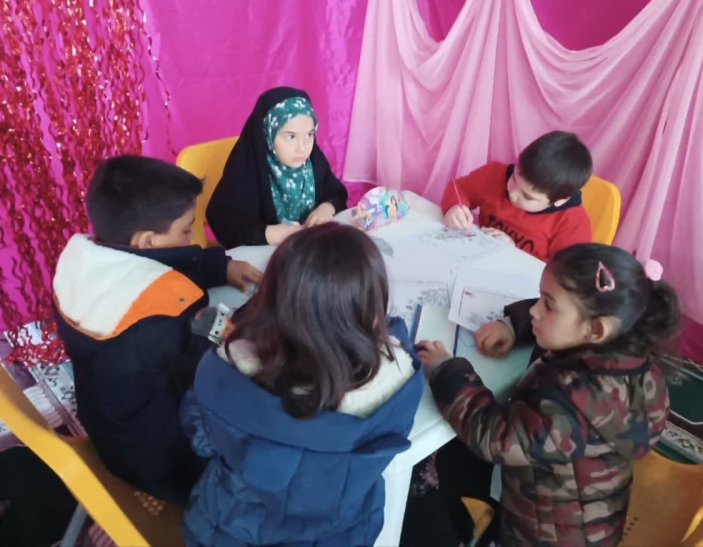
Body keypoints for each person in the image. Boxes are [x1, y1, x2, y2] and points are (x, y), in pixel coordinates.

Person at [417, 243, 680, 546]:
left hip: (545, 536)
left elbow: (493, 436)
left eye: (548, 305)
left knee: (448, 470)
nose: (534, 310)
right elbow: (567, 321)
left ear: (596, 330)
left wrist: (446, 371)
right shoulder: (629, 353)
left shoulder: (569, 408)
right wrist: (513, 326)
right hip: (586, 512)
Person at [180, 223, 425, 547]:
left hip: (226, 528)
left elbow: (200, 438)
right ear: (371, 312)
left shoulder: (219, 370)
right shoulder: (399, 388)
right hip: (339, 534)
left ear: (270, 300)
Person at [52, 155, 262, 503]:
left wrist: (218, 266)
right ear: (148, 241)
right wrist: (258, 321)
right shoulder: (160, 320)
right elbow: (221, 368)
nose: (194, 237)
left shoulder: (82, 262)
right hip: (168, 466)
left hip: (111, 427)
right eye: (186, 230)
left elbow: (149, 268)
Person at [207, 86, 348, 248]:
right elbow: (224, 221)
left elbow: (336, 193)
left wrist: (327, 207)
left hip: (309, 251)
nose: (302, 148)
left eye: (309, 135)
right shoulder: (248, 169)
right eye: (291, 137)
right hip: (262, 254)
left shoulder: (313, 162)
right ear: (268, 134)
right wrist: (269, 233)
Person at [441, 131, 593, 261]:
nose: (513, 193)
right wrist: (455, 206)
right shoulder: (495, 174)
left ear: (560, 200)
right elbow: (460, 188)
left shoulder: (573, 224)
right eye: (513, 179)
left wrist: (514, 253)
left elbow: (564, 274)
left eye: (527, 196)